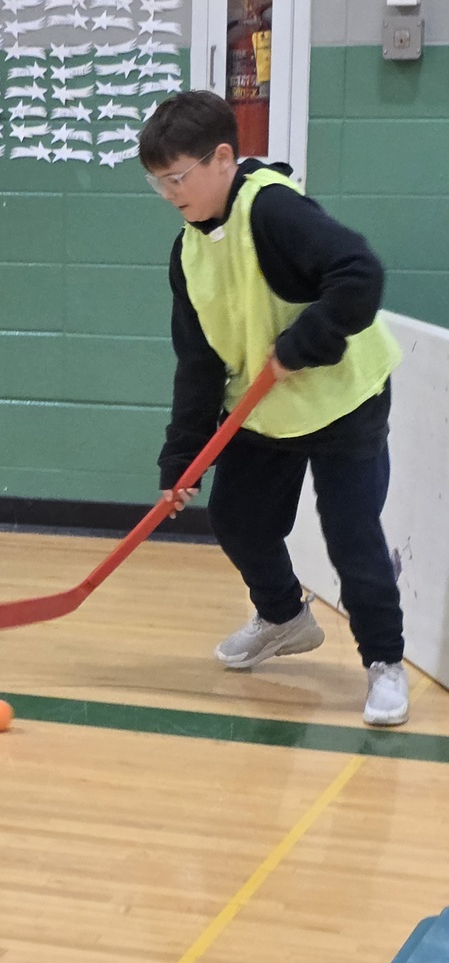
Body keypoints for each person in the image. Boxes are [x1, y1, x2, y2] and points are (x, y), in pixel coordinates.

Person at [138, 90, 409, 727]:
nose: (170, 194)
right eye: (157, 183)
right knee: (237, 518)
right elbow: (199, 362)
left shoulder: (273, 208)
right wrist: (182, 458)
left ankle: (385, 662)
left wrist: (300, 344)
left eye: (177, 178)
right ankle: (285, 617)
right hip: (264, 410)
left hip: (343, 399)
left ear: (222, 158)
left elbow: (360, 274)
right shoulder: (187, 253)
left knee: (351, 535)